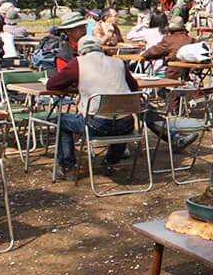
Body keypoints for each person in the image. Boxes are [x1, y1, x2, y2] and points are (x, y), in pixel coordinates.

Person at [47, 36, 142, 179]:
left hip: (96, 124)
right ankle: (110, 161)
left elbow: (52, 85)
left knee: (61, 120)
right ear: (101, 49)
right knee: (118, 114)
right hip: (127, 124)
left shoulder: (78, 63)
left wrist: (76, 83)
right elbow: (134, 87)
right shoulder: (119, 62)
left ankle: (68, 167)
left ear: (80, 52)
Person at [141, 16, 194, 80]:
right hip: (189, 76)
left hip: (173, 76)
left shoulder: (169, 40)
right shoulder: (193, 41)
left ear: (170, 30)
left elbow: (150, 53)